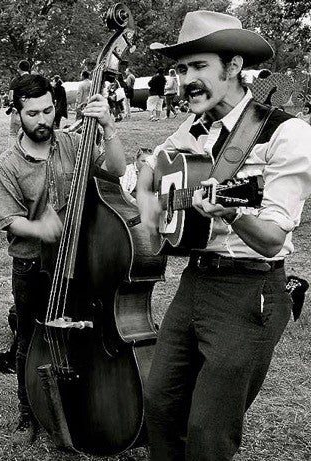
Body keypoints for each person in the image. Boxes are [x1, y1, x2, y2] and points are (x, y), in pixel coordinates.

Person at [133, 11, 311, 460]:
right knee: (159, 404)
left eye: (198, 67)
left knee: (208, 430)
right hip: (195, 281)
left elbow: (271, 238)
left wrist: (231, 214)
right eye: (180, 69)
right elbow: (149, 174)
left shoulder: (285, 133)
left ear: (233, 67)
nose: (185, 80)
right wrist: (149, 201)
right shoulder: (190, 128)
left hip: (250, 288)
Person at [0, 74, 126, 446]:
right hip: (33, 264)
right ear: (17, 114)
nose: (42, 120)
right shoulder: (6, 165)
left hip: (80, 260)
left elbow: (116, 170)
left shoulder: (73, 144)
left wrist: (109, 127)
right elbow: (10, 219)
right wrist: (42, 229)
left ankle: (81, 398)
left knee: (85, 329)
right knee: (29, 338)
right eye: (32, 113)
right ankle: (27, 410)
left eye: (48, 110)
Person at [8, 60, 32, 140]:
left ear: (19, 69)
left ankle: (12, 152)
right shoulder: (34, 80)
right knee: (28, 135)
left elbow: (11, 97)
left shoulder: (15, 81)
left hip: (17, 110)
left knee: (13, 134)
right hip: (30, 111)